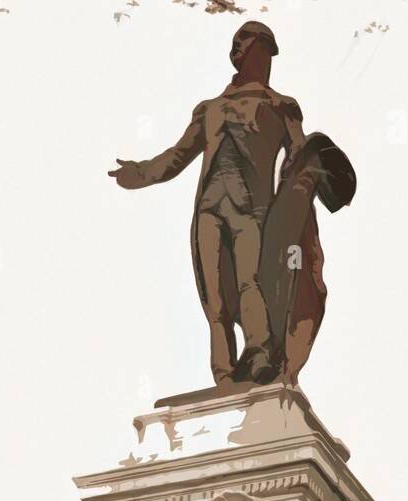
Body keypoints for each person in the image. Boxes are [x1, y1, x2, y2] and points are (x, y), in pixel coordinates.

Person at [109, 22, 353, 389]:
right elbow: (177, 156)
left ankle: (259, 356)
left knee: (250, 282)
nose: (236, 49)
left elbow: (298, 154)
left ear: (264, 49)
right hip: (209, 210)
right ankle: (223, 374)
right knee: (216, 299)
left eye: (244, 42)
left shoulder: (281, 106)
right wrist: (138, 173)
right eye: (235, 44)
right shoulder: (210, 109)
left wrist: (309, 181)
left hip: (252, 212)